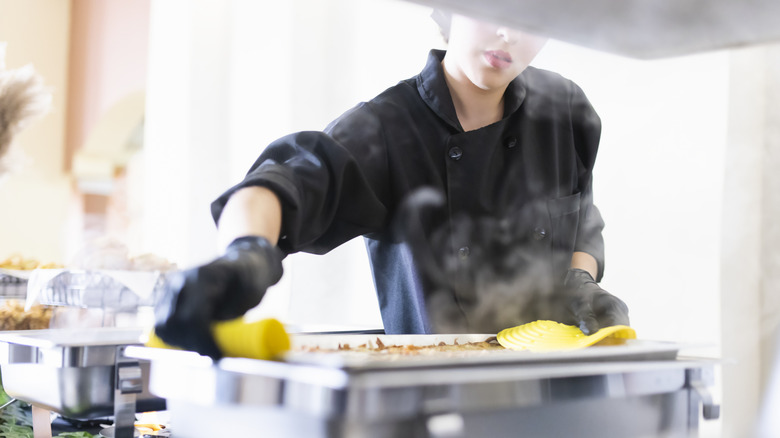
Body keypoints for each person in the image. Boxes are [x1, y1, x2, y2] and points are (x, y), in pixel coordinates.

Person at [154, 11, 630, 360]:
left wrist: (580, 280)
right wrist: (245, 253)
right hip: (433, 402)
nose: (510, 32)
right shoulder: (387, 127)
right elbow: (280, 184)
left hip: (557, 390)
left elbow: (580, 218)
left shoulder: (564, 110)